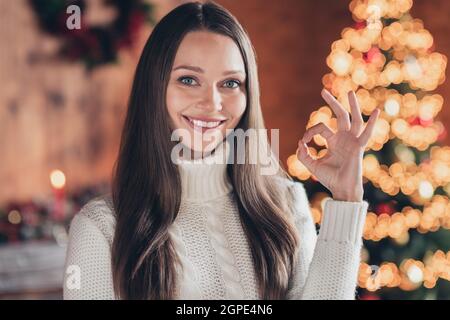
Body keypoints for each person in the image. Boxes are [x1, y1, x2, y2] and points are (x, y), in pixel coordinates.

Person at [63, 1, 380, 300]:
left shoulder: (285, 204)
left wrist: (347, 199)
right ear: (154, 88)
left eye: (230, 84)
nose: (213, 104)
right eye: (188, 79)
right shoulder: (101, 229)